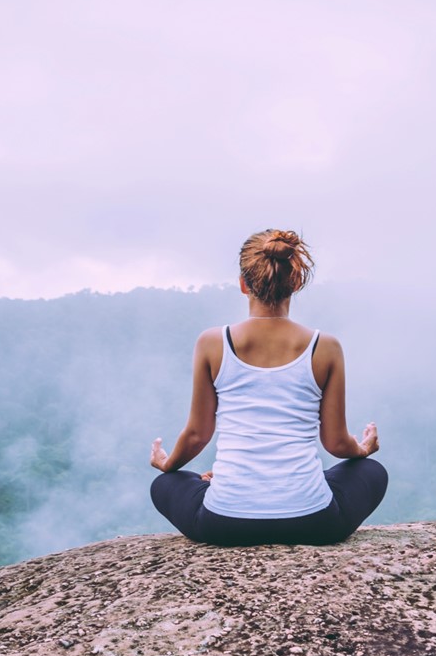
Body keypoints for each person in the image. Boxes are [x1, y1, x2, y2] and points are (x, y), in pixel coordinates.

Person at [149, 229, 388, 546]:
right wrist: (363, 449)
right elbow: (335, 443)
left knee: (165, 484)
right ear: (297, 283)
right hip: (315, 522)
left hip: (224, 524)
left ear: (243, 284)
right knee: (372, 471)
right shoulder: (325, 347)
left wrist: (167, 464)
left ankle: (227, 485)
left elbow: (196, 435)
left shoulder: (211, 343)